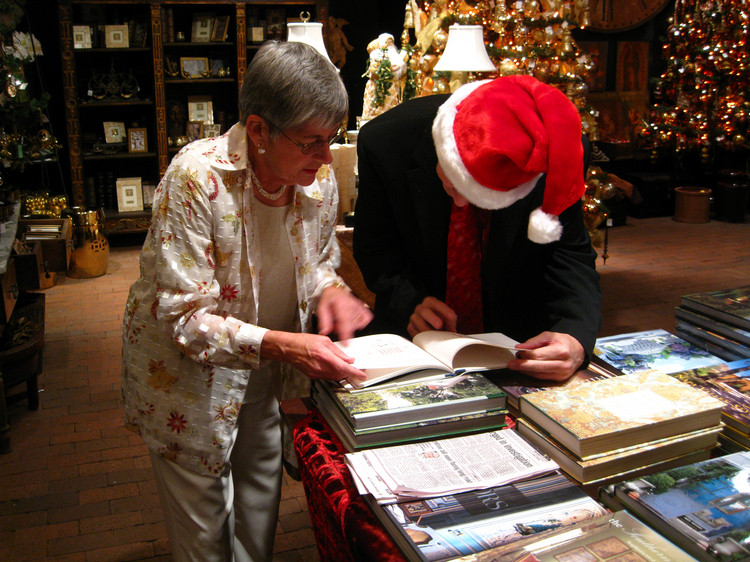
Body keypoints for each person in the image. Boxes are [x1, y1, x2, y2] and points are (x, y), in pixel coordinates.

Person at [121, 41, 372, 562]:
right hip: (187, 383)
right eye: (310, 142)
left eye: (333, 139)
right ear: (258, 130)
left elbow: (318, 261)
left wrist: (331, 290)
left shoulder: (317, 181)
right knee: (204, 538)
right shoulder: (198, 178)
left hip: (268, 372)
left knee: (259, 514)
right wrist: (284, 345)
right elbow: (183, 319)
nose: (327, 158)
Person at [353, 75, 601, 382]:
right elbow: (376, 249)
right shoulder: (387, 142)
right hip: (415, 345)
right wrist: (411, 303)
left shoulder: (556, 155)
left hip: (518, 343)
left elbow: (571, 255)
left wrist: (575, 338)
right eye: (454, 184)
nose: (460, 204)